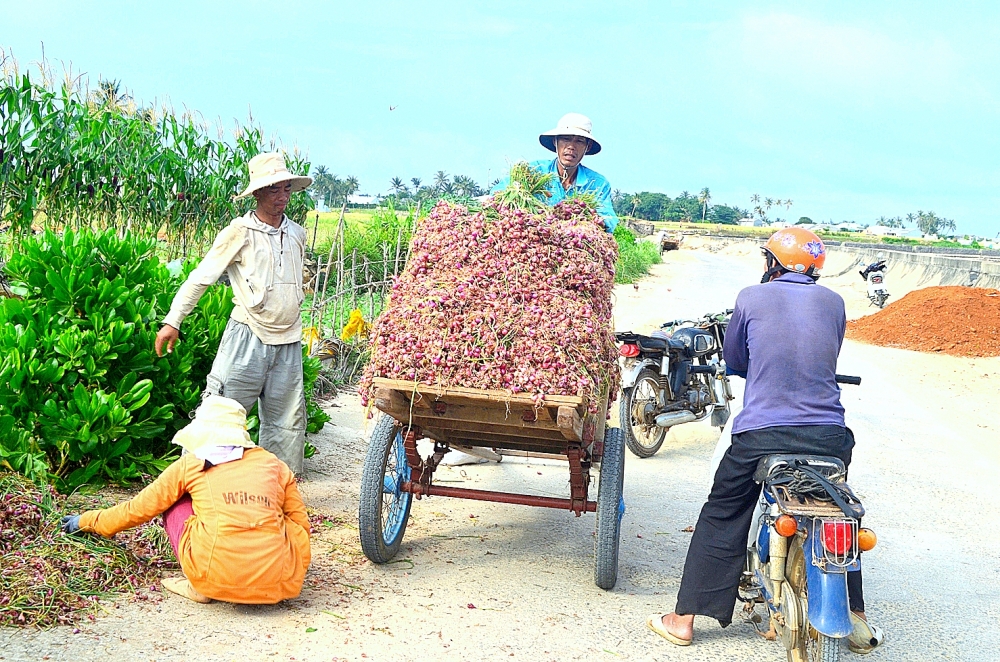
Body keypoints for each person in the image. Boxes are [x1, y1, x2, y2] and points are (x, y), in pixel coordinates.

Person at [647, 227, 883, 654]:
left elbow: (735, 360)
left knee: (724, 511)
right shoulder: (834, 302)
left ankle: (683, 619)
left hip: (763, 432)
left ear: (772, 263)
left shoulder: (750, 297)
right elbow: (827, 353)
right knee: (836, 505)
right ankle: (858, 616)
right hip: (830, 436)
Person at [59, 396, 311, 604]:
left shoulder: (191, 464)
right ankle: (262, 576)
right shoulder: (273, 464)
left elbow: (137, 509)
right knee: (279, 519)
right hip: (281, 581)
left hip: (211, 576)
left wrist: (85, 521)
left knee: (175, 502)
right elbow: (301, 525)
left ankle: (199, 586)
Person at [154, 152, 312, 474]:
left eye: (286, 190)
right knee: (221, 415)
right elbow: (201, 277)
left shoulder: (296, 233)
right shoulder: (239, 232)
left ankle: (274, 493)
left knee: (287, 424)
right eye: (274, 190)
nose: (282, 197)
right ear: (257, 193)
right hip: (247, 338)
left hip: (289, 341)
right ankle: (199, 485)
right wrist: (173, 320)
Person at [492, 112, 619, 232]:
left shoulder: (598, 184)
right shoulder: (533, 171)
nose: (571, 146)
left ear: (588, 147)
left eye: (579, 141)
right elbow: (497, 195)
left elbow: (608, 220)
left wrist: (585, 217)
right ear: (555, 142)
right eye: (566, 139)